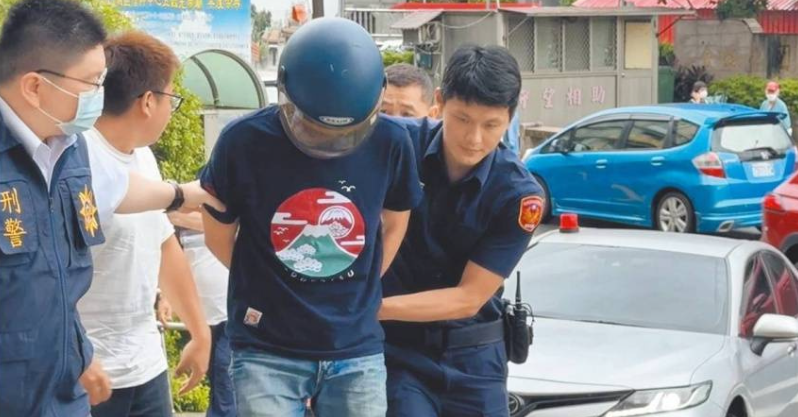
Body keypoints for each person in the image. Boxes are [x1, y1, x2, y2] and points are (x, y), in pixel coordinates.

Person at [0, 1, 219, 415]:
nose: (101, 96)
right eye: (91, 82)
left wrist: (77, 352)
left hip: (71, 389)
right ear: (34, 87)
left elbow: (119, 196)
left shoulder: (68, 150)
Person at [199, 17, 422, 417]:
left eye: (346, 133)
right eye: (314, 128)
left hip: (355, 348)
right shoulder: (243, 142)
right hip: (265, 349)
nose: (329, 141)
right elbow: (217, 232)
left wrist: (366, 280)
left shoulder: (391, 142)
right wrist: (267, 278)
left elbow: (397, 218)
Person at [379, 45, 545, 417]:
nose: (474, 138)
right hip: (398, 353)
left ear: (510, 117)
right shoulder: (397, 143)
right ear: (439, 102)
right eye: (462, 119)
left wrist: (366, 308)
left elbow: (468, 297)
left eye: (491, 125)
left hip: (475, 358)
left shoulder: (518, 194)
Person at [76, 31, 211, 416]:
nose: (172, 109)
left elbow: (164, 246)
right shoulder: (77, 158)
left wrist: (199, 331)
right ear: (149, 101)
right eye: (172, 99)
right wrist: (75, 354)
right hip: (88, 375)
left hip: (146, 368)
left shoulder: (144, 158)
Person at [167, 211, 237, 417]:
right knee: (216, 381)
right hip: (202, 317)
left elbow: (233, 227)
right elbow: (172, 259)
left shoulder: (226, 207)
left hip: (230, 312)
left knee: (225, 381)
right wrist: (167, 299)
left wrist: (174, 213)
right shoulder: (176, 228)